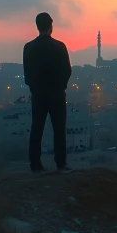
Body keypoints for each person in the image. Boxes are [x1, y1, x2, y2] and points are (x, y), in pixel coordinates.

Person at [23, 12, 73, 173]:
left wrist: (35, 88)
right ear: (51, 26)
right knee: (59, 129)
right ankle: (61, 164)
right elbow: (67, 70)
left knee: (37, 128)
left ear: (37, 26)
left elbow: (27, 73)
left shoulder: (28, 47)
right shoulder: (59, 47)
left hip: (38, 94)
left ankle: (35, 165)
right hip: (56, 94)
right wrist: (61, 87)